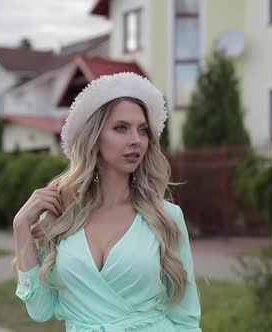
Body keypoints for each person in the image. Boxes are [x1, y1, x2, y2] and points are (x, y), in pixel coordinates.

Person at [12, 72, 202, 332]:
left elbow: (187, 320)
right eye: (121, 128)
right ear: (94, 137)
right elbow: (41, 310)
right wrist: (21, 226)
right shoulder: (61, 215)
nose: (136, 139)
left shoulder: (166, 217)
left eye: (143, 130)